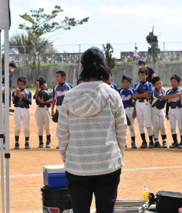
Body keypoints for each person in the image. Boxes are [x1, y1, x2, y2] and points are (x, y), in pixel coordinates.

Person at [56, 47, 126, 213]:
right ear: (103, 67)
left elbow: (62, 133)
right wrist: (117, 157)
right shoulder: (113, 95)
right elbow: (121, 131)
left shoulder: (70, 96)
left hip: (77, 166)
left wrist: (67, 157)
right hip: (108, 165)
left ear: (82, 68)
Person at [151, 76, 182, 148]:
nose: (159, 85)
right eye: (157, 84)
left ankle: (164, 141)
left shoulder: (163, 89)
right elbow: (164, 98)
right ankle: (156, 141)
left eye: (160, 83)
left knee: (163, 125)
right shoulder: (155, 92)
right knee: (156, 125)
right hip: (154, 109)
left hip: (161, 109)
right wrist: (175, 95)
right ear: (154, 85)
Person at [51, 70, 73, 149]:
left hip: (67, 107)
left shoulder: (69, 86)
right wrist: (52, 110)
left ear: (63, 77)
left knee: (69, 125)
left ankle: (70, 143)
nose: (56, 78)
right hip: (59, 108)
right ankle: (60, 143)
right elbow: (54, 99)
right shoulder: (55, 87)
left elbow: (73, 97)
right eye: (56, 77)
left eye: (58, 76)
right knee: (60, 126)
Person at [133, 68, 154, 148]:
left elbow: (148, 95)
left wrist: (139, 95)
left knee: (148, 123)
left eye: (143, 75)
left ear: (147, 75)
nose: (141, 76)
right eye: (140, 75)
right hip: (138, 104)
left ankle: (151, 141)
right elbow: (134, 95)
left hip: (146, 104)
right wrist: (143, 94)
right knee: (140, 123)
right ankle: (144, 141)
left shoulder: (149, 84)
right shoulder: (136, 85)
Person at [166, 75, 182, 149]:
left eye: (175, 82)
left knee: (181, 126)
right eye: (172, 81)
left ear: (178, 83)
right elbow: (167, 103)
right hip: (171, 110)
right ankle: (175, 141)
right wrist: (166, 113)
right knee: (172, 126)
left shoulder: (181, 92)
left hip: (179, 109)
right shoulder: (168, 92)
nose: (173, 83)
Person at [12, 77, 32, 149]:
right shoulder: (14, 92)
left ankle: (27, 142)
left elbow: (29, 102)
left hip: (25, 109)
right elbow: (14, 102)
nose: (20, 86)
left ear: (25, 84)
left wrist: (21, 97)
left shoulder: (28, 92)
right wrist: (17, 96)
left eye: (22, 84)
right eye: (19, 84)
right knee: (17, 125)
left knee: (26, 126)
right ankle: (16, 142)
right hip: (17, 109)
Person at [34, 77, 53, 148]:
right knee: (39, 126)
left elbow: (52, 100)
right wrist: (37, 87)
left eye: (44, 85)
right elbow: (36, 96)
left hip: (46, 109)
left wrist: (44, 102)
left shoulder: (50, 91)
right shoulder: (38, 91)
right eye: (41, 86)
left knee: (48, 126)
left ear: (46, 83)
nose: (44, 86)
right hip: (39, 109)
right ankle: (40, 141)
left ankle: (48, 141)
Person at [118, 75, 136, 148]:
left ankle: (133, 142)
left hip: (130, 109)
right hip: (122, 110)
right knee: (123, 127)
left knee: (131, 126)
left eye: (127, 82)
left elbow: (134, 102)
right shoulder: (120, 91)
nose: (125, 83)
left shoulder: (132, 91)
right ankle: (124, 142)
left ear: (130, 83)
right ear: (122, 83)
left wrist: (135, 111)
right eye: (124, 82)